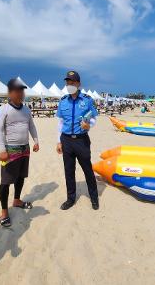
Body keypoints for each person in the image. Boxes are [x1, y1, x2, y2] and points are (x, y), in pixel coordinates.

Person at [0, 78, 39, 227]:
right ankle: (4, 210)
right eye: (17, 91)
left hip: (25, 149)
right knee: (6, 181)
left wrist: (36, 140)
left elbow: (31, 126)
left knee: (20, 177)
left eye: (22, 91)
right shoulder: (3, 109)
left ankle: (17, 200)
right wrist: (2, 150)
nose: (21, 93)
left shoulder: (26, 110)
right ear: (10, 93)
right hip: (10, 150)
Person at [56, 70, 99, 210]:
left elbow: (93, 118)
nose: (69, 84)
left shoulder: (87, 100)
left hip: (81, 140)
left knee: (88, 170)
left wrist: (89, 125)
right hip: (66, 140)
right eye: (67, 82)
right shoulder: (62, 101)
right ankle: (70, 198)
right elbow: (61, 122)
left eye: (72, 82)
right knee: (69, 171)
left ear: (78, 84)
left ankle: (94, 198)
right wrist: (59, 141)